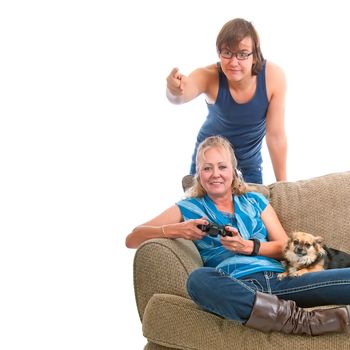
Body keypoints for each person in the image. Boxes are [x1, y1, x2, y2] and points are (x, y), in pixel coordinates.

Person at [126, 135, 350, 335]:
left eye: (222, 167)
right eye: (207, 168)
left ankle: (288, 318)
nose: (215, 174)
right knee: (198, 280)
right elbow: (132, 238)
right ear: (199, 173)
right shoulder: (188, 207)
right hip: (237, 286)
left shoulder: (255, 201)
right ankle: (302, 321)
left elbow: (285, 246)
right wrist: (177, 229)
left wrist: (249, 246)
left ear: (233, 171)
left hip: (282, 281)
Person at [166, 18, 287, 184]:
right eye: (227, 53)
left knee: (254, 207)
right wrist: (174, 90)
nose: (233, 62)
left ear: (255, 56)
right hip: (210, 158)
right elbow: (183, 93)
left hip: (248, 162)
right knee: (197, 208)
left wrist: (283, 184)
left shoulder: (273, 77)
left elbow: (275, 136)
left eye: (242, 54)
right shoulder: (210, 75)